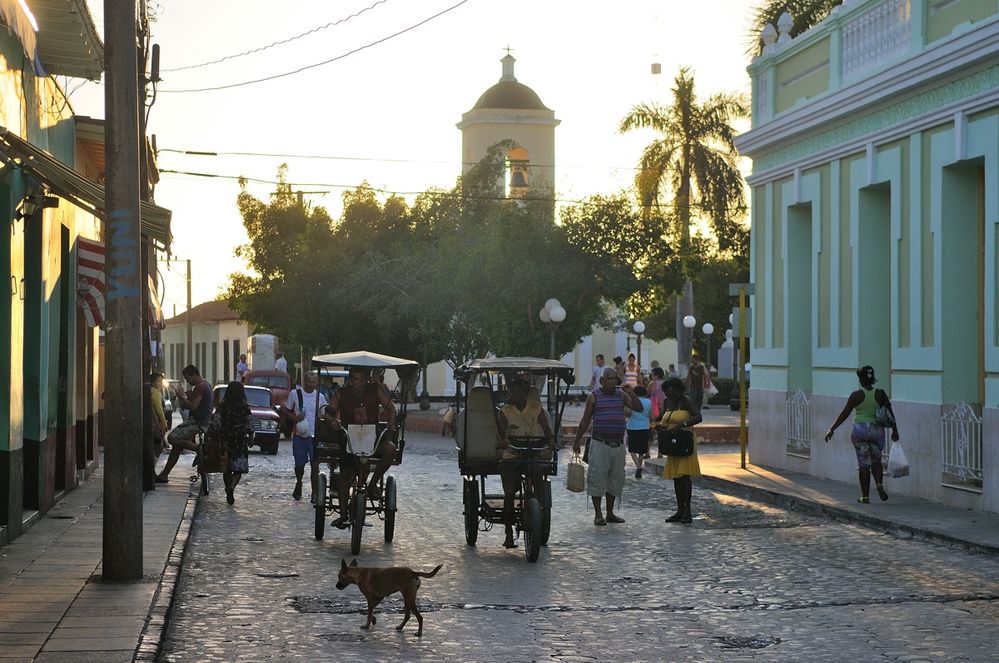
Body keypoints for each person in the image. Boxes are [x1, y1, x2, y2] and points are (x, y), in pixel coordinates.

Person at [322, 367, 398, 528]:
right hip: (350, 436)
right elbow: (328, 413)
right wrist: (333, 421)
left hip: (373, 435)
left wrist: (391, 423)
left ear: (367, 379)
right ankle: (343, 515)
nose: (360, 383)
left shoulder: (376, 389)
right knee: (345, 475)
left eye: (363, 379)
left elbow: (391, 408)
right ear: (350, 380)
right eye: (356, 379)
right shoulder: (341, 393)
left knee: (390, 448)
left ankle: (373, 483)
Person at [572, 367, 643, 526]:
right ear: (602, 380)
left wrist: (631, 392)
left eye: (615, 379)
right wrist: (577, 441)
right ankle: (598, 514)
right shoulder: (594, 396)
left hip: (617, 445)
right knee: (597, 478)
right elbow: (585, 421)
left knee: (615, 479)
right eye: (610, 378)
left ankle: (610, 513)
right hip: (599, 443)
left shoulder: (622, 395)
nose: (613, 381)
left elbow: (638, 408)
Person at [823, 365, 899, 503]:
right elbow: (889, 412)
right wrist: (895, 429)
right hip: (877, 430)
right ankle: (879, 485)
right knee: (876, 460)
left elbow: (845, 413)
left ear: (860, 379)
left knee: (864, 463)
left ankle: (865, 497)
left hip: (860, 430)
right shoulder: (880, 394)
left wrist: (832, 429)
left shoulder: (856, 395)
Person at [497, 379, 555, 548]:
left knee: (538, 477)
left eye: (513, 392)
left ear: (523, 393)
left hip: (531, 453)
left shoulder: (536, 408)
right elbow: (500, 432)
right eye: (510, 392)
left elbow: (546, 427)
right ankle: (508, 532)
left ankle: (537, 508)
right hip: (512, 455)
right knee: (509, 492)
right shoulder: (505, 411)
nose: (511, 395)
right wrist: (502, 441)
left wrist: (551, 440)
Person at [656, 377, 703, 524]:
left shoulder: (685, 400)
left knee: (684, 477)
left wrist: (682, 424)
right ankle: (679, 510)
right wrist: (659, 424)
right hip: (672, 442)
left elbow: (698, 417)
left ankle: (687, 510)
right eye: (668, 394)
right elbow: (663, 418)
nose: (671, 397)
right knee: (677, 477)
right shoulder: (667, 401)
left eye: (673, 393)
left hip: (685, 441)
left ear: (678, 391)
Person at [156, 365, 213, 483]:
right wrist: (183, 395)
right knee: (177, 446)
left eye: (188, 378)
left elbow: (193, 406)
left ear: (194, 374)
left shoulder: (201, 387)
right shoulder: (204, 385)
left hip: (198, 421)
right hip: (201, 420)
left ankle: (199, 450)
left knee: (171, 438)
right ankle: (164, 474)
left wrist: (181, 397)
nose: (187, 381)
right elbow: (191, 399)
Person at [282, 371, 327, 502]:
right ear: (304, 382)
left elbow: (324, 414)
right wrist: (295, 418)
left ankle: (314, 493)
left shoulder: (321, 397)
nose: (312, 384)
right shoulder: (295, 394)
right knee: (299, 465)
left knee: (315, 465)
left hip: (315, 436)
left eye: (314, 382)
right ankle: (299, 481)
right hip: (299, 435)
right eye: (309, 381)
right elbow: (286, 409)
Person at [208, 381, 253, 505]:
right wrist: (251, 437)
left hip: (225, 439)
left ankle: (228, 487)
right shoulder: (244, 407)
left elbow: (215, 423)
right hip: (239, 439)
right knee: (239, 468)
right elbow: (249, 424)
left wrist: (212, 436)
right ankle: (231, 487)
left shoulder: (222, 406)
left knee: (226, 468)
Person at [626, 385, 652, 479]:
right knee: (642, 450)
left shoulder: (631, 401)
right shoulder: (649, 402)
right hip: (645, 427)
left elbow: (628, 413)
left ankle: (638, 466)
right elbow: (651, 416)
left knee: (632, 449)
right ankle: (639, 467)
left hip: (632, 427)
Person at [150, 373, 168, 457]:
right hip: (155, 422)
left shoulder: (151, 390)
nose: (160, 383)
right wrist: (164, 423)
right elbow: (159, 409)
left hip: (152, 421)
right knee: (157, 442)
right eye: (158, 381)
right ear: (153, 382)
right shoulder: (156, 392)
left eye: (161, 381)